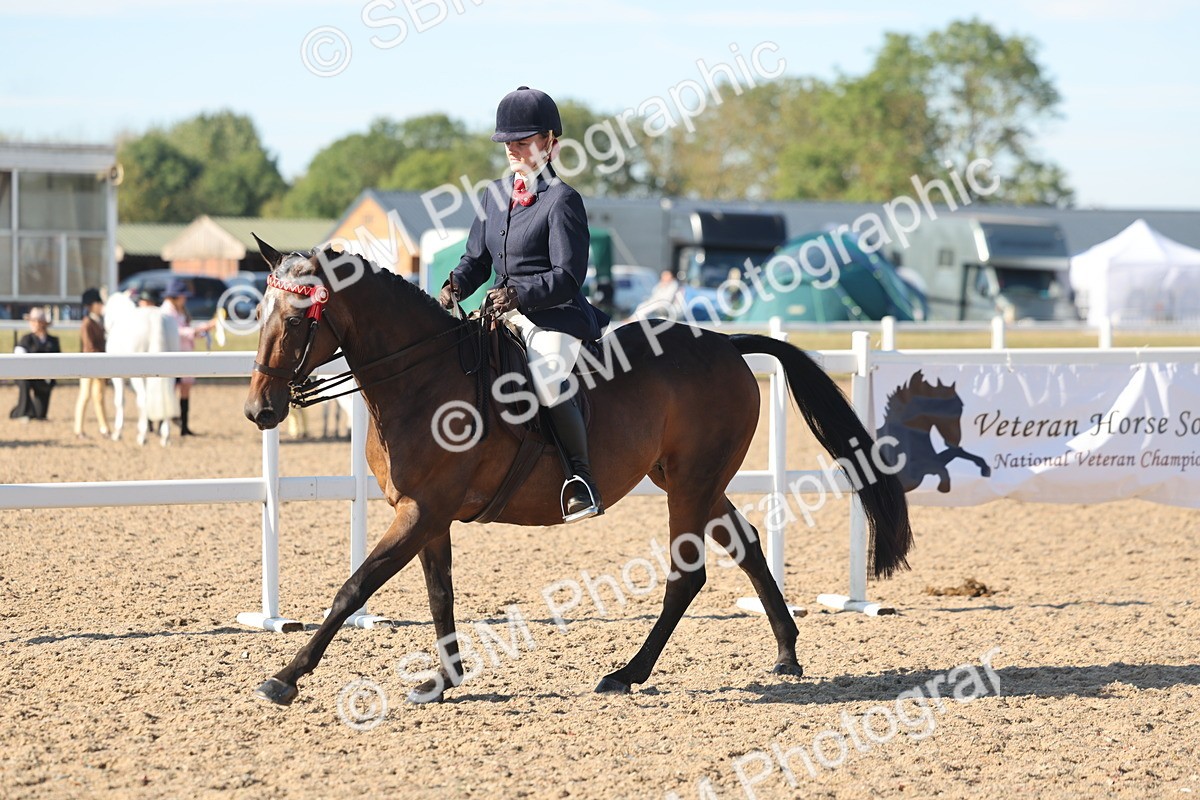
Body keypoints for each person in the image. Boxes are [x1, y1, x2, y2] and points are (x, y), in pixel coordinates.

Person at [439, 86, 610, 523]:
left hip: (554, 316)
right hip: (501, 313)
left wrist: (518, 294)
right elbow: (476, 261)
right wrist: (454, 286)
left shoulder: (562, 199)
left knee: (548, 380)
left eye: (523, 140)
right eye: (507, 142)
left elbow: (568, 276)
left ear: (550, 143)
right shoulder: (494, 194)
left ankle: (581, 480)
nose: (513, 148)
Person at [160, 278, 216, 436]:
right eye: (182, 295)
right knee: (169, 389)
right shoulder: (166, 312)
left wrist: (200, 332)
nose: (185, 298)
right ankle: (161, 423)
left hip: (183, 353)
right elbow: (177, 332)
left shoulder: (179, 310)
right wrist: (200, 329)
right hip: (172, 355)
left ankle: (183, 425)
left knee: (184, 388)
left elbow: (184, 331)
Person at [9, 307, 61, 421]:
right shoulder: (26, 339)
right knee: (24, 382)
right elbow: (18, 357)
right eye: (32, 321)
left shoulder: (53, 341)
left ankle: (22, 411)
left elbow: (57, 361)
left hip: (43, 378)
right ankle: (22, 412)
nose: (34, 324)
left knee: (40, 414)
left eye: (37, 321)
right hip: (27, 375)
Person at [73, 287, 111, 438]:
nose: (101, 306)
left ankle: (104, 427)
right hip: (88, 363)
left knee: (99, 396)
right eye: (98, 303)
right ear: (92, 305)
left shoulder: (99, 322)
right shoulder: (87, 323)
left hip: (99, 363)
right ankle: (78, 428)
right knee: (85, 395)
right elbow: (89, 346)